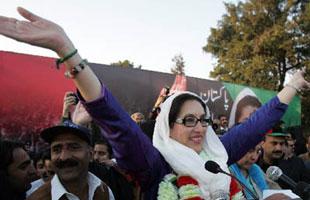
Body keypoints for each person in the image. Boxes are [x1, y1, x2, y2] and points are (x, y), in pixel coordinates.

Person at [1, 7, 308, 199]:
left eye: (202, 119)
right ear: (167, 126)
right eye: (188, 120)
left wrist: (292, 85)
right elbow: (116, 122)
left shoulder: (218, 155)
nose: (199, 127)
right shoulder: (155, 165)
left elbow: (257, 126)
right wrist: (66, 49)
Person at [27, 120, 114, 200]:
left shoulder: (103, 191)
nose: (64, 157)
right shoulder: (37, 198)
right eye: (57, 149)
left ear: (90, 155)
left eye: (73, 147)